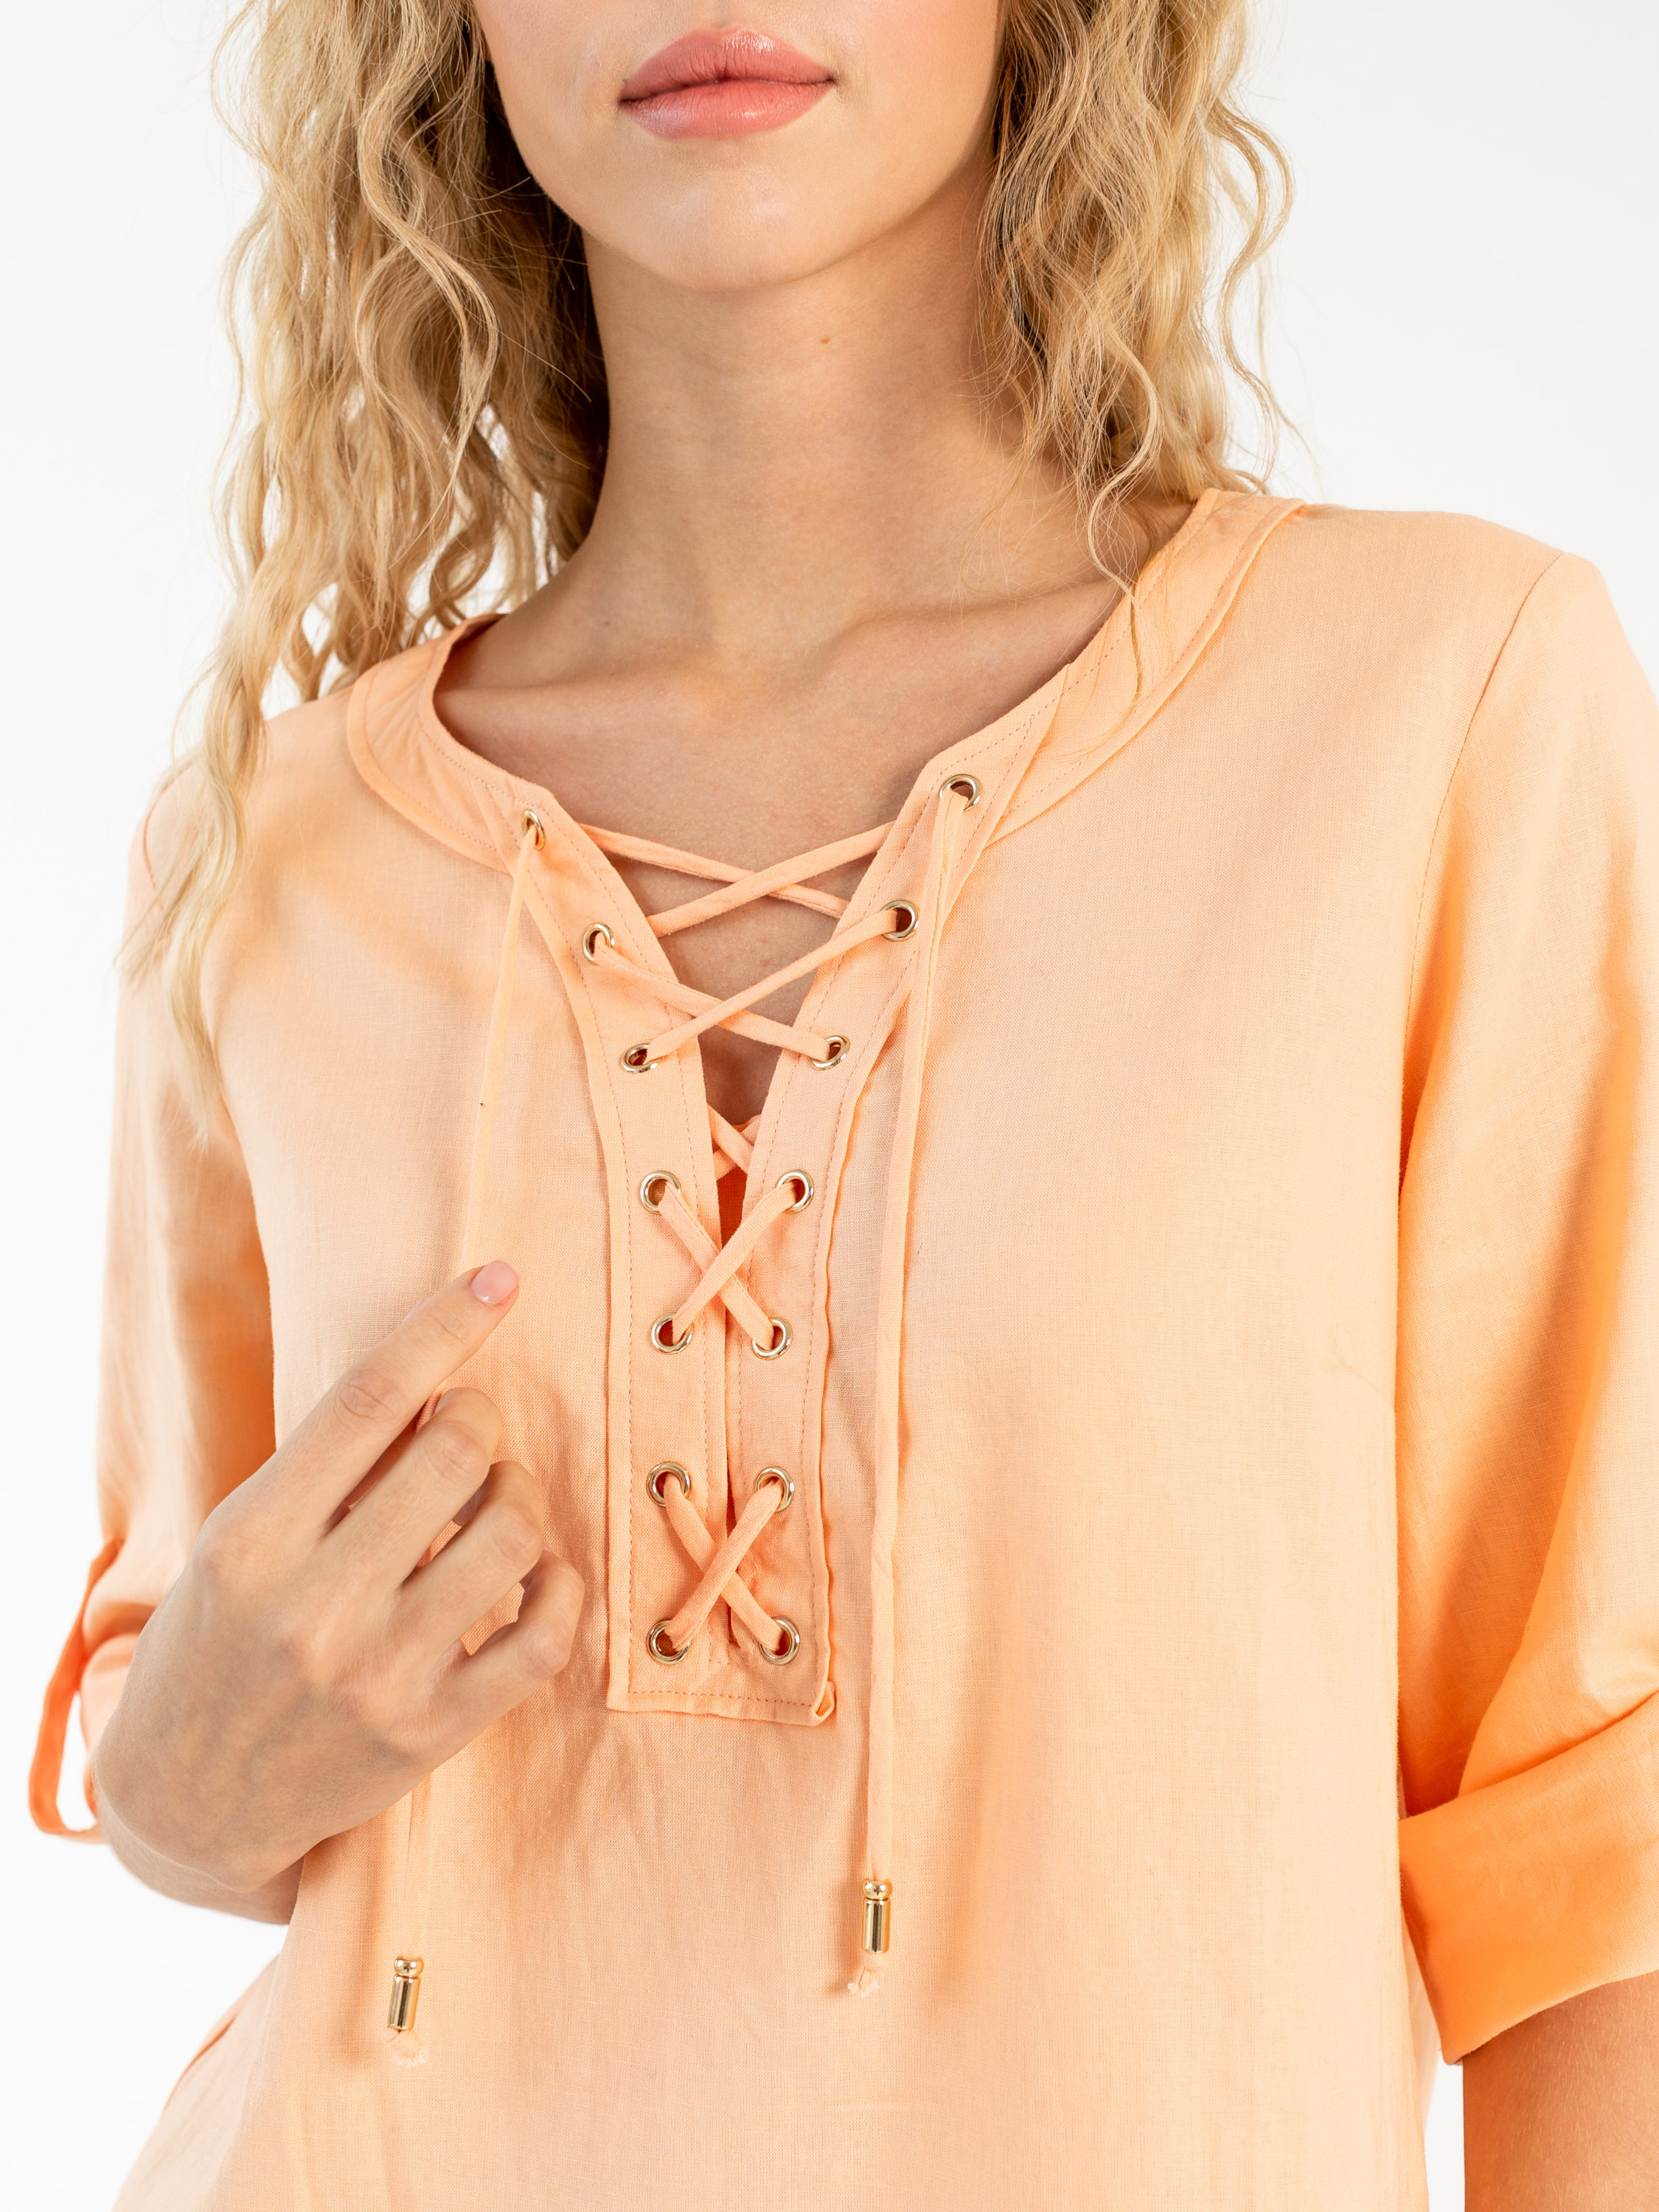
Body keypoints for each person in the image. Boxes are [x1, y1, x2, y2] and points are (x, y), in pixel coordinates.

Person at [29, 1, 1659, 2205]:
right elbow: (179, 1691)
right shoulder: (269, 847)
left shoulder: (1434, 704)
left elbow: (1590, 1812)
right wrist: (172, 1796)